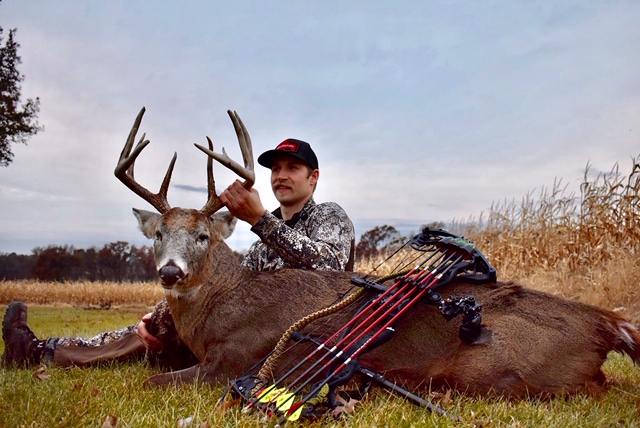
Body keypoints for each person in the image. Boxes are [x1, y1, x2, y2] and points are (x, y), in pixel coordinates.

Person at [2, 138, 356, 370]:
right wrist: (161, 312)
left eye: (292, 168)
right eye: (276, 169)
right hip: (253, 334)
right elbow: (234, 290)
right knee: (152, 327)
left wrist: (259, 219)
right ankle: (44, 351)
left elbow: (329, 270)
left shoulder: (328, 216)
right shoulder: (263, 239)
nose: (281, 176)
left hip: (314, 333)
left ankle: (46, 352)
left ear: (314, 178)